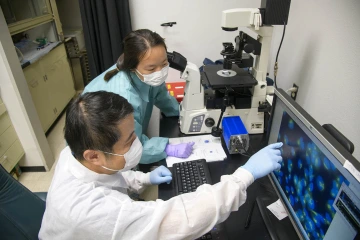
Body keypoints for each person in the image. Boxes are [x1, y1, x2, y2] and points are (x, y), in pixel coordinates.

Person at [39, 91, 284, 240]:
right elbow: (180, 219)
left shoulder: (72, 154)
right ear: (93, 155)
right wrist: (244, 176)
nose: (138, 145)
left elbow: (106, 178)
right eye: (130, 141)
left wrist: (143, 179)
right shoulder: (94, 213)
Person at [82, 29, 194, 164]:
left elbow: (161, 95)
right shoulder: (123, 98)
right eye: (152, 69)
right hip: (98, 151)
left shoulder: (146, 75)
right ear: (132, 67)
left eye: (164, 64)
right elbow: (131, 148)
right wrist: (167, 149)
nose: (160, 72)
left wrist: (184, 113)